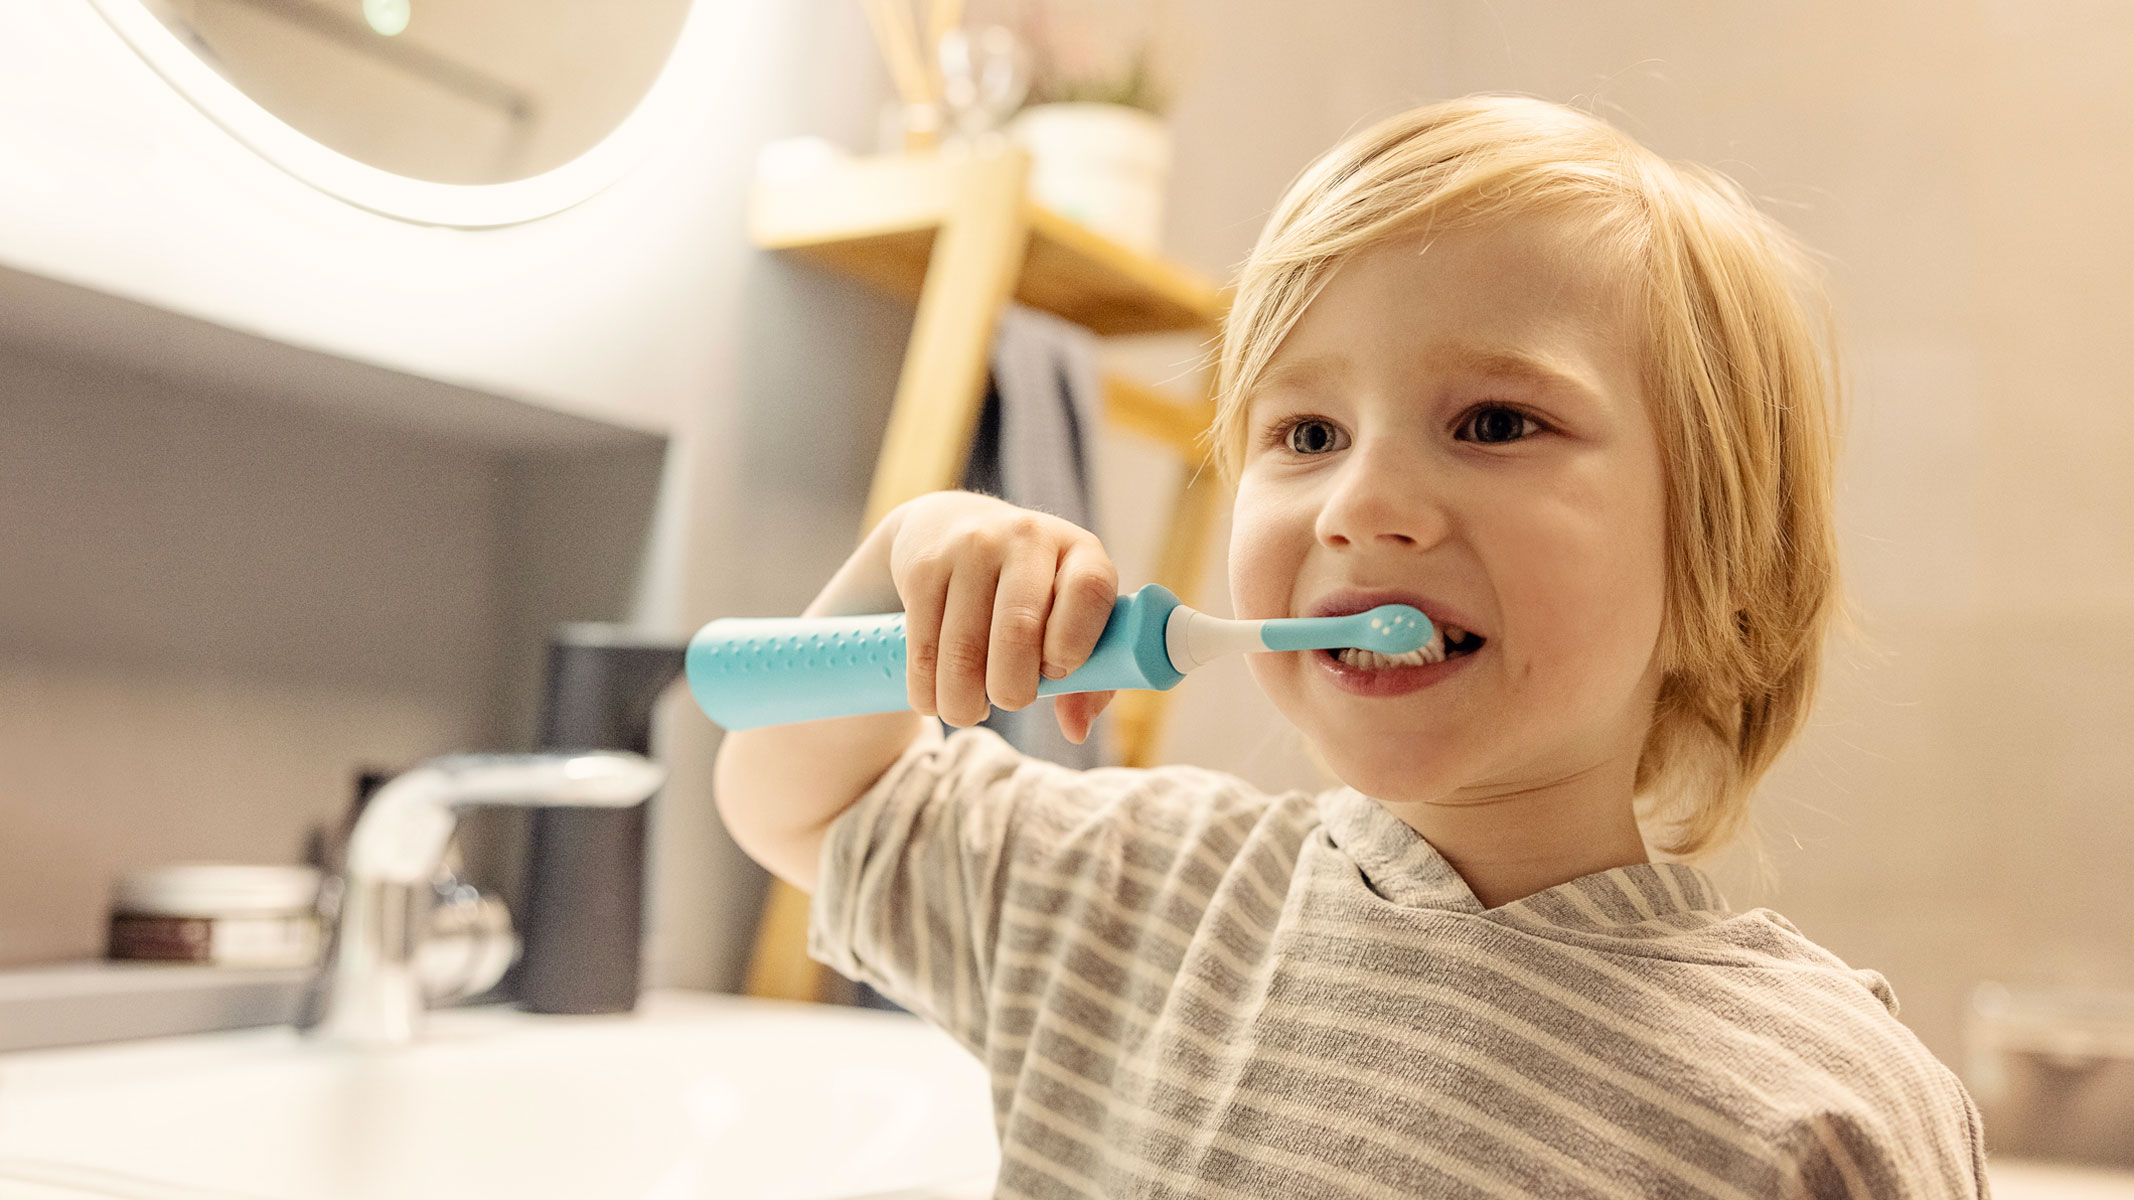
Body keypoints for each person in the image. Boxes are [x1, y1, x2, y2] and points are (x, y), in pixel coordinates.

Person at [714, 94, 1988, 1198]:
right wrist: (911, 553)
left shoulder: (1820, 1109)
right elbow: (803, 802)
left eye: (1494, 421)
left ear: (1716, 546)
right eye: (1306, 434)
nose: (1358, 504)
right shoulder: (1128, 894)